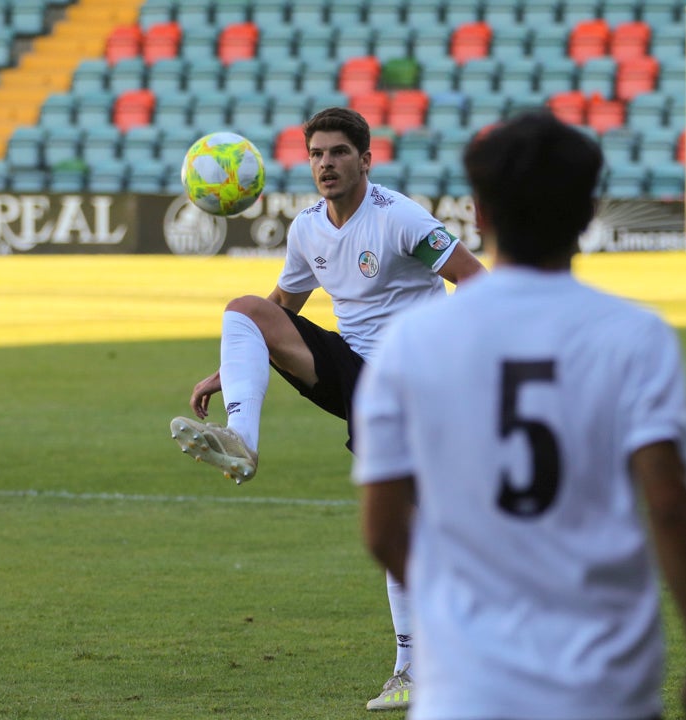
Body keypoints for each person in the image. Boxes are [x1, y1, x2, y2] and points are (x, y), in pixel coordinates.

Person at [353, 111, 686, 720]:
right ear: (588, 213)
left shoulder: (410, 343)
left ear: (476, 212)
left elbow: (382, 530)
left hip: (466, 691)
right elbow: (669, 505)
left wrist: (461, 613)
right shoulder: (636, 335)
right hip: (603, 686)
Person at [170, 107, 486, 711]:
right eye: (316, 154)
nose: (326, 164)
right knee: (242, 308)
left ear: (366, 160)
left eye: (339, 152)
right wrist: (230, 367)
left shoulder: (401, 219)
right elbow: (279, 306)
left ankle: (417, 665)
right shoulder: (308, 228)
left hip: (413, 380)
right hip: (351, 370)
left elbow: (475, 280)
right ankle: (241, 440)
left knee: (407, 521)